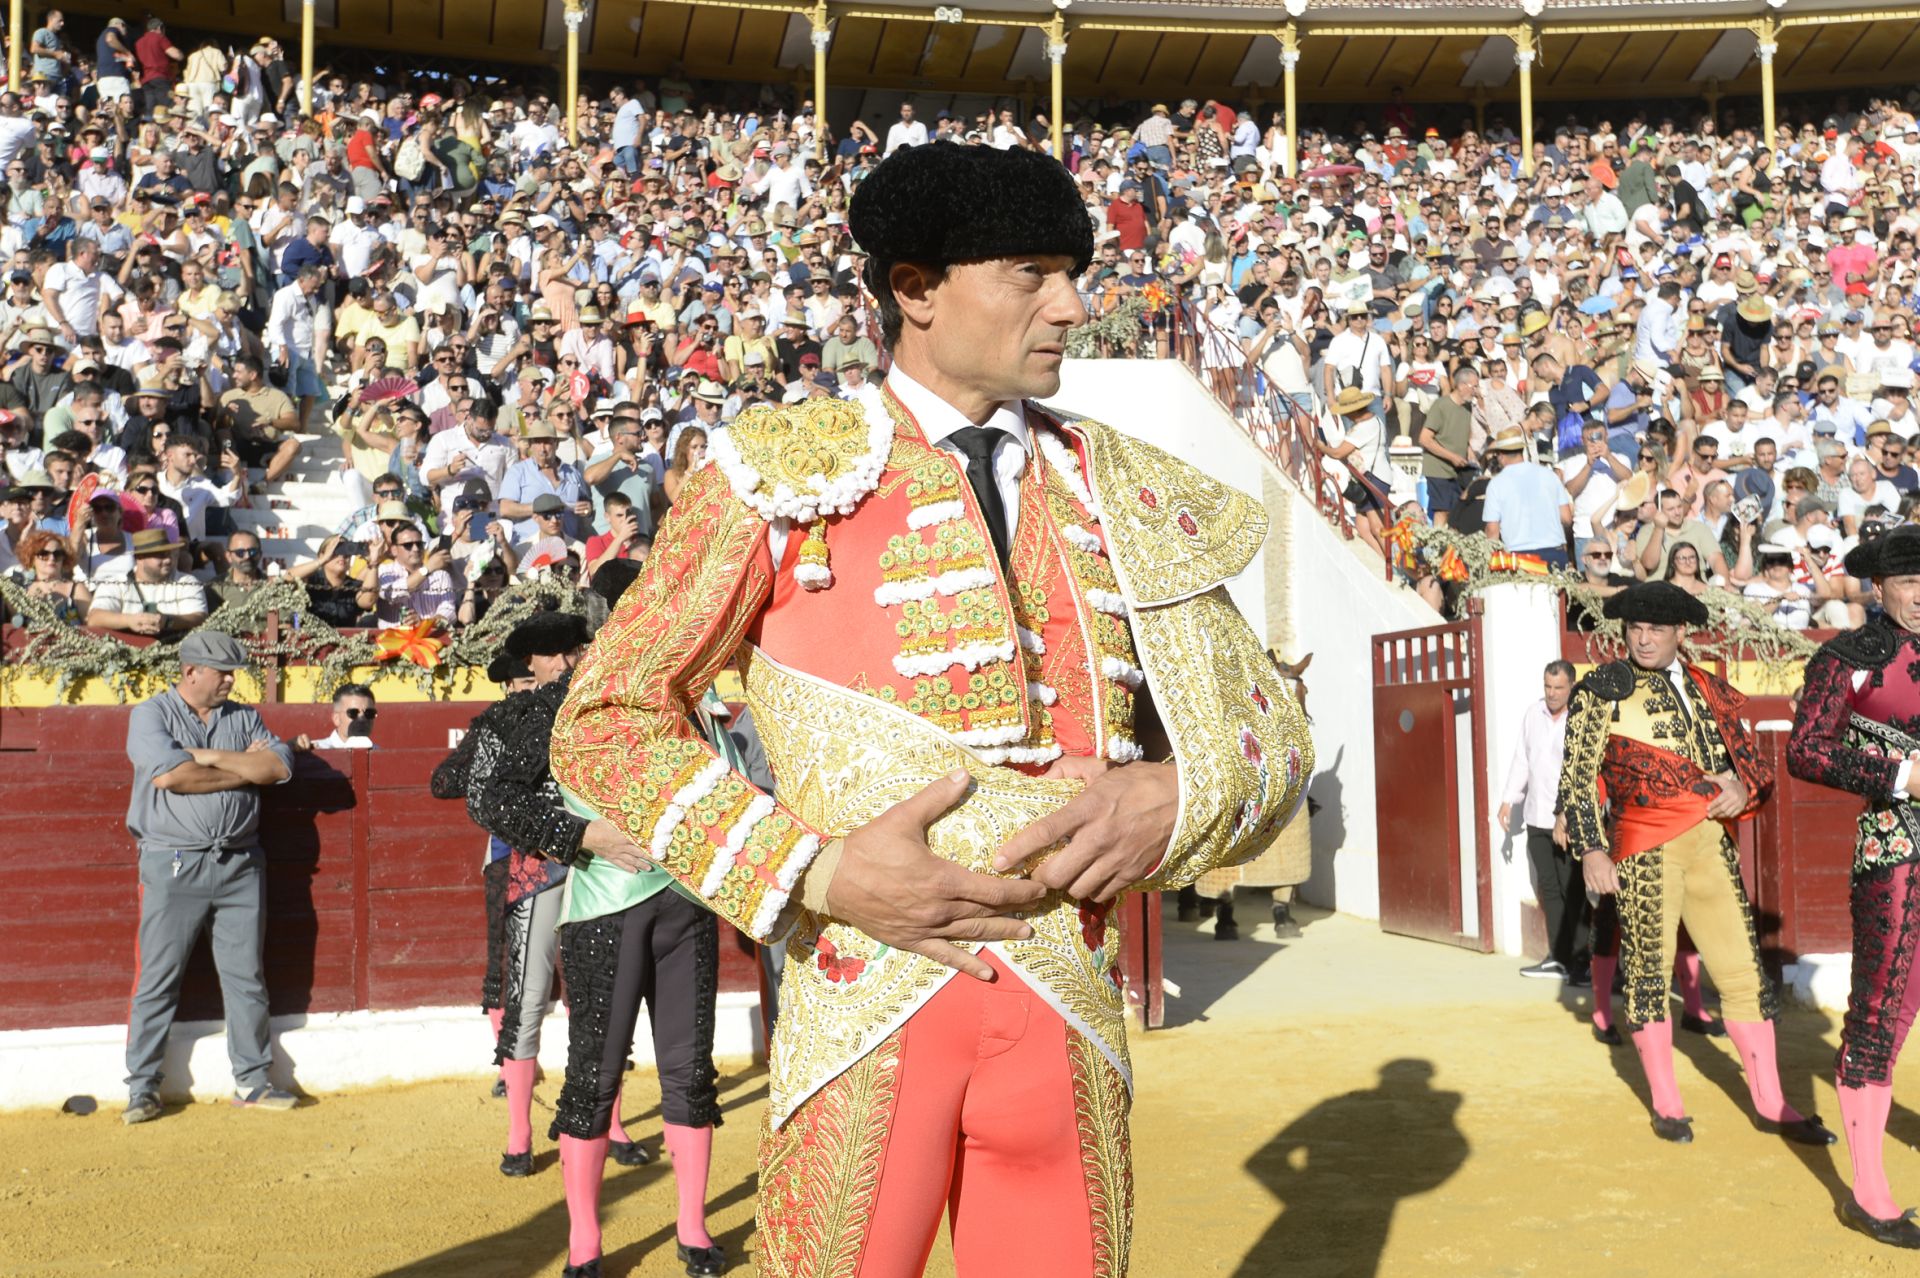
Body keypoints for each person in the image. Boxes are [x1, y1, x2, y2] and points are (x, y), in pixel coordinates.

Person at [551, 142, 1309, 1278]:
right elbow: (604, 718)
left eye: (1072, 272)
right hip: (861, 1002)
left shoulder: (1126, 487)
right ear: (914, 289)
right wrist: (810, 870)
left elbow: (1273, 735)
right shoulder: (778, 472)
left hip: (1070, 1013)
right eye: (1030, 271)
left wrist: (1179, 788)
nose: (1071, 304)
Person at [1556, 581, 1832, 1148]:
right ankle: (1667, 1103)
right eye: (1635, 627)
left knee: (1743, 975)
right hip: (1645, 849)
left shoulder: (1711, 688)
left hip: (1712, 845)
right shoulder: (1601, 689)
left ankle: (1771, 1103)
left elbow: (1755, 768)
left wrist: (1740, 785)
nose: (1644, 637)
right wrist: (1591, 848)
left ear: (1682, 633)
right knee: (1650, 978)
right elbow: (1577, 782)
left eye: (1656, 628)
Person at [1786, 525, 1920, 1249]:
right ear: (1879, 587)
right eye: (1908, 582)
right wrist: (1902, 776)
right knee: (1879, 1012)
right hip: (1899, 852)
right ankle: (1868, 1194)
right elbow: (1805, 749)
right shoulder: (1847, 658)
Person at [121, 630, 298, 1124]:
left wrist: (206, 757)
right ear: (191, 671)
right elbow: (170, 776)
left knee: (247, 978)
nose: (230, 680)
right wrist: (246, 767)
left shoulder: (242, 715)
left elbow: (279, 767)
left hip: (241, 863)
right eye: (222, 672)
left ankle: (253, 1081)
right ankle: (142, 1088)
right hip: (173, 862)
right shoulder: (150, 715)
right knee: (158, 977)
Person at [431, 652, 542, 1105]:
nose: (529, 688)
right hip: (506, 856)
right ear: (508, 687)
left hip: (570, 854)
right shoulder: (494, 726)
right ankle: (509, 1062)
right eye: (521, 681)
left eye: (533, 679)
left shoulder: (564, 715)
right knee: (504, 961)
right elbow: (444, 781)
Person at [1498, 661, 1585, 984]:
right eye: (1547, 687)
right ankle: (1559, 958)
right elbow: (1522, 758)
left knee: (1572, 888)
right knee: (1548, 887)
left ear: (1571, 686)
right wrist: (1509, 799)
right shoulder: (1532, 715)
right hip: (1536, 816)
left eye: (1558, 687)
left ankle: (1581, 962)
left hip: (1568, 819)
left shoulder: (1581, 718)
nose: (1551, 693)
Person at [85, 528, 207, 637]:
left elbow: (199, 618)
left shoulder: (186, 582)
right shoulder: (115, 584)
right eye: (160, 555)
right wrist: (130, 621)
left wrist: (168, 621)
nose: (168, 560)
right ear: (140, 558)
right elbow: (94, 618)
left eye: (168, 553)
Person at [1482, 431, 1573, 567]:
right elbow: (1566, 518)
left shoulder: (1496, 484)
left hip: (1519, 557)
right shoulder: (1549, 475)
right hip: (1554, 552)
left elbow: (1492, 530)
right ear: (1521, 451)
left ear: (1500, 455)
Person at [293, 684, 377, 751]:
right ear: (336, 719)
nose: (362, 719)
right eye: (353, 713)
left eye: (369, 713)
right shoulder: (315, 751)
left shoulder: (379, 752)